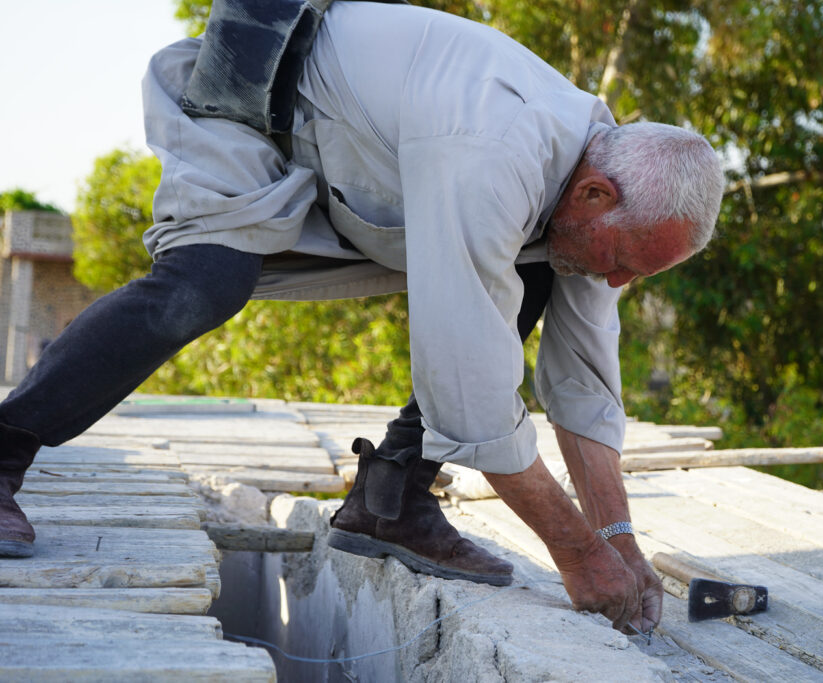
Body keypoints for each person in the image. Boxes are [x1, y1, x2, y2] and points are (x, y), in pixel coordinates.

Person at [0, 0, 723, 636]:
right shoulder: (496, 151)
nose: (620, 279)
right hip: (256, 102)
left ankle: (392, 502)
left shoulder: (600, 191)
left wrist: (619, 536)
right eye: (625, 259)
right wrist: (578, 553)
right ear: (596, 195)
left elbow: (586, 387)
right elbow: (467, 389)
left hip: (353, 155)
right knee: (205, 282)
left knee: (543, 271)